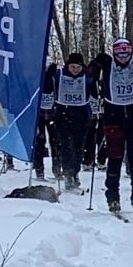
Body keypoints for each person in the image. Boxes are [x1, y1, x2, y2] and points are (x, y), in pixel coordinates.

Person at [96, 38, 133, 215]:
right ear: (114, 53)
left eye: (126, 52)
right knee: (114, 158)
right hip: (113, 116)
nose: (123, 56)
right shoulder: (108, 64)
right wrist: (96, 62)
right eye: (119, 53)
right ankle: (113, 197)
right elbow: (88, 73)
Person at [45, 52, 95, 190]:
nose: (75, 70)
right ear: (68, 65)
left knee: (78, 146)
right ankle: (67, 173)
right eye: (72, 67)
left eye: (78, 67)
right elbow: (47, 88)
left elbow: (95, 91)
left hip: (81, 114)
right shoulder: (59, 74)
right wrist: (48, 75)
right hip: (62, 113)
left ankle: (75, 172)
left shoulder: (87, 76)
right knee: (66, 145)